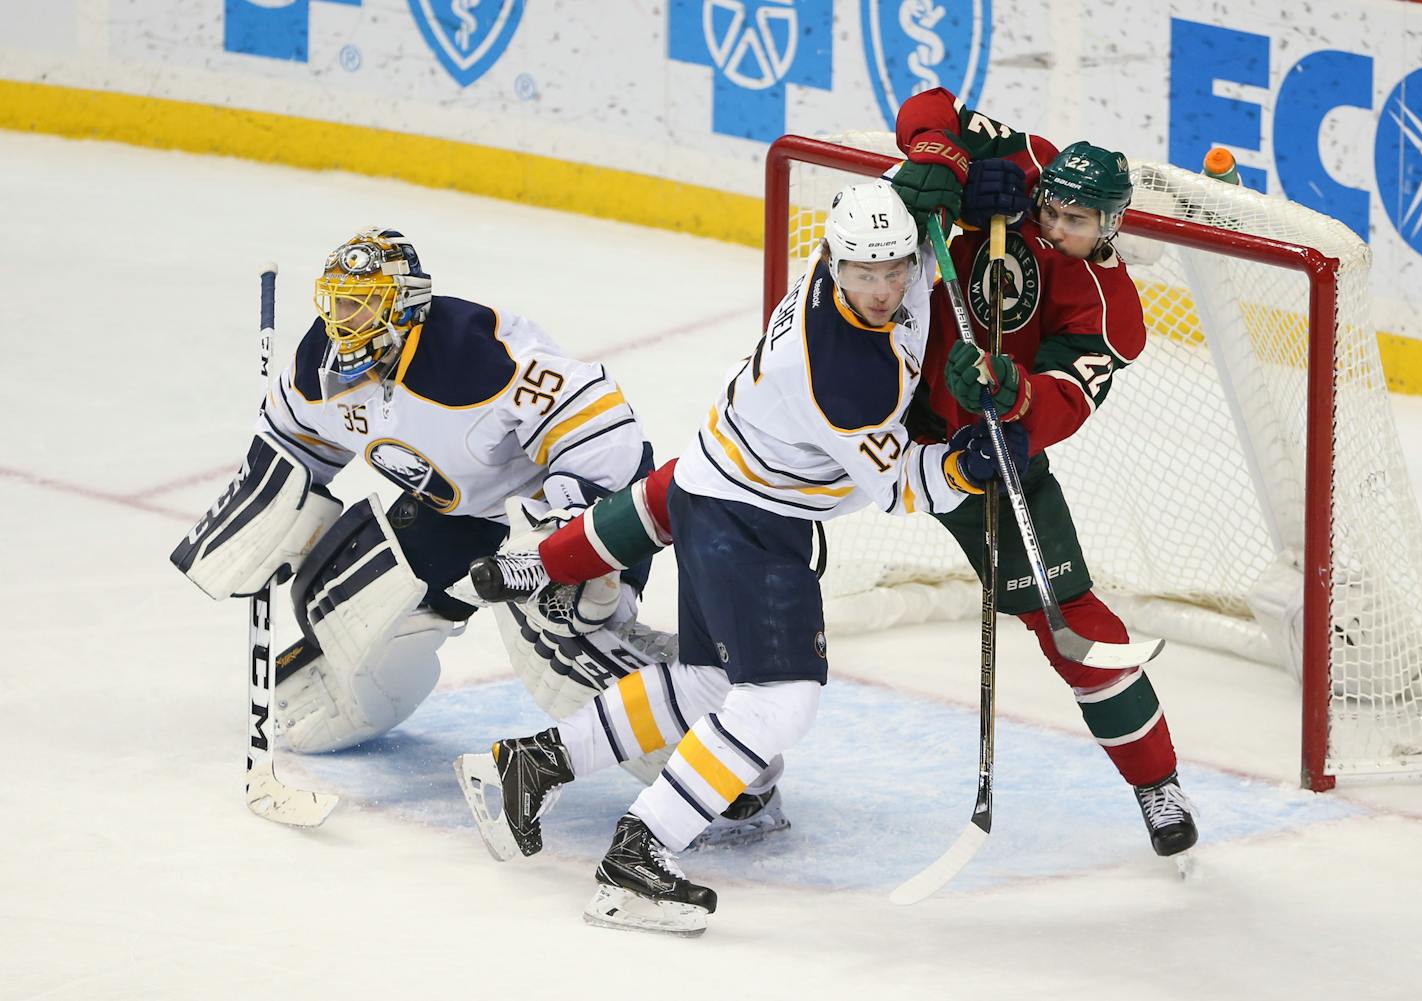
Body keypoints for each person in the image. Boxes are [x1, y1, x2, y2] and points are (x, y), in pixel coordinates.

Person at [468, 88, 1199, 873]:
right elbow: (930, 106)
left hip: (978, 441)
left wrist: (1009, 396)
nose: (1053, 228)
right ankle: (547, 569)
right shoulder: (1023, 171)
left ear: (1110, 226)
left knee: (1069, 617)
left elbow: (1059, 403)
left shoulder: (1111, 314)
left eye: (1074, 223)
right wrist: (941, 161)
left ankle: (1157, 783)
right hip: (881, 422)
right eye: (1048, 212)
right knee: (721, 488)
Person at [454, 181, 1031, 936]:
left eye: (894, 268)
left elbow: (911, 186)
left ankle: (528, 764)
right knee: (781, 698)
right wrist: (963, 466)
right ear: (834, 263)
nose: (886, 287)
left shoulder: (876, 253)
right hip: (748, 518)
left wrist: (953, 174)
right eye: (865, 274)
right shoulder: (843, 376)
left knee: (707, 683)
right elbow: (896, 490)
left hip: (713, 492)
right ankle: (639, 854)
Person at [169, 228, 652, 754]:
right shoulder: (320, 363)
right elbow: (293, 437)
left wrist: (561, 533)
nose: (345, 321)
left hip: (560, 509)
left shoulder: (476, 355)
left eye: (363, 304)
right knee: (350, 606)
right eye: (340, 303)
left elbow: (600, 428)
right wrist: (272, 504)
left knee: (560, 636)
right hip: (459, 512)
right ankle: (365, 701)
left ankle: (703, 750)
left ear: (405, 306)